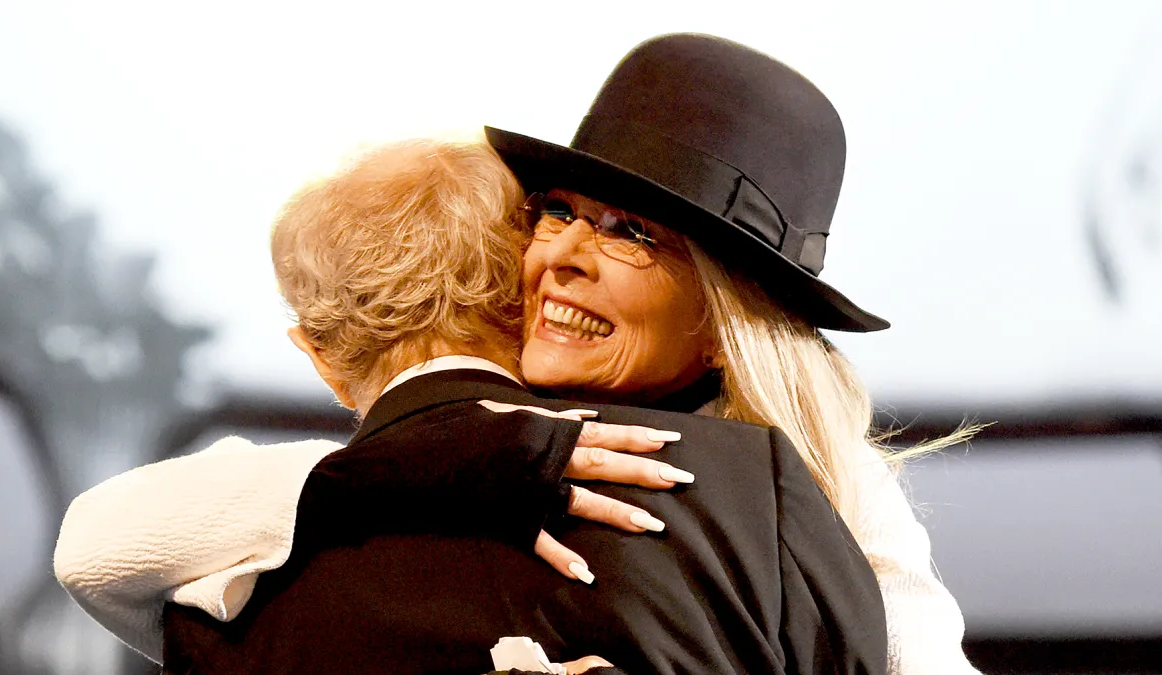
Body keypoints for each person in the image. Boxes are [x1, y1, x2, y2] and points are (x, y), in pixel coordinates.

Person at [56, 33, 980, 674]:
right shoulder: (410, 479)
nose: (566, 254)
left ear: (724, 318)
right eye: (559, 211)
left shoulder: (824, 493)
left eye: (629, 232)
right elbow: (93, 543)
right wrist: (418, 463)